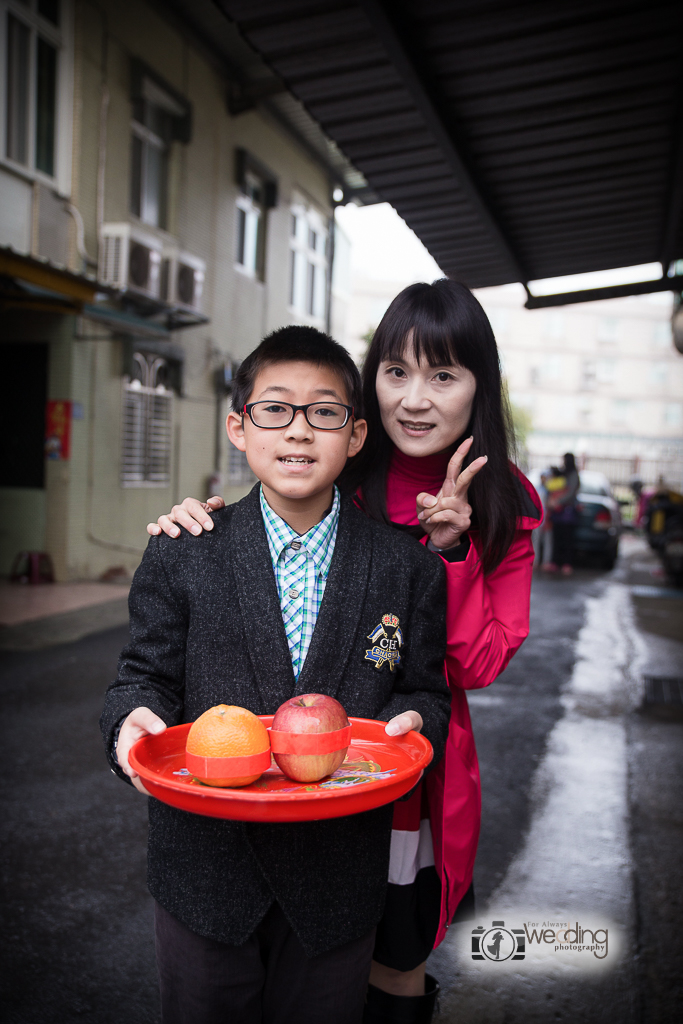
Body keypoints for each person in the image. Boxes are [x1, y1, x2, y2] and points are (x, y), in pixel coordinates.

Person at [149, 280, 542, 1024]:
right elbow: (268, 512)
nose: (415, 399)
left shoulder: (507, 503)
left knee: (392, 956)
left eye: (443, 374)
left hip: (403, 757)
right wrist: (197, 519)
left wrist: (450, 552)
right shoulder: (345, 472)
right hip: (281, 756)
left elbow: (475, 665)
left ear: (479, 387)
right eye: (396, 372)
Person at [102, 326, 452, 1024]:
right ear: (238, 426)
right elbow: (142, 676)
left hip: (338, 881)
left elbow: (422, 690)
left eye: (324, 412)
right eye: (274, 409)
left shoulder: (405, 567)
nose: (298, 432)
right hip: (203, 874)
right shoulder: (183, 550)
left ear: (354, 436)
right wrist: (130, 723)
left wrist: (419, 725)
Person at [543, 452, 580, 575]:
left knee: (567, 539)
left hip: (567, 513)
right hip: (557, 513)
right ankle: (556, 562)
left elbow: (570, 493)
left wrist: (557, 501)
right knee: (557, 538)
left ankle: (566, 563)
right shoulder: (563, 473)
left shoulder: (573, 475)